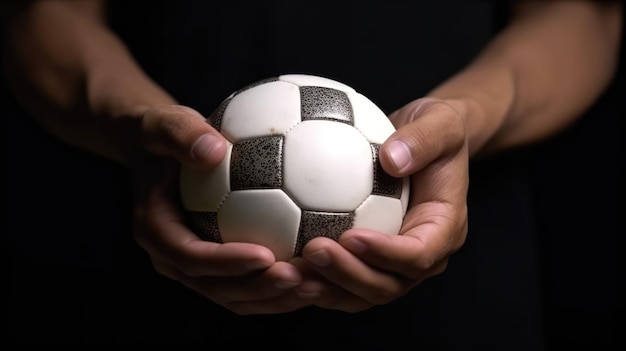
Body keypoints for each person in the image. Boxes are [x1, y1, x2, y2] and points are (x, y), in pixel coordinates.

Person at [3, 0, 624, 348]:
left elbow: (581, 16)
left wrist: (465, 119)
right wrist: (134, 124)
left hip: (452, 261)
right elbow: (40, 16)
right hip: (150, 260)